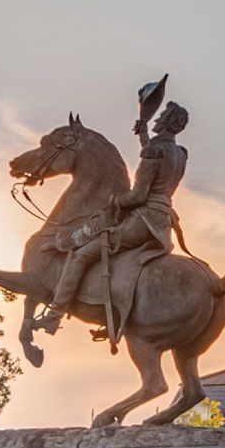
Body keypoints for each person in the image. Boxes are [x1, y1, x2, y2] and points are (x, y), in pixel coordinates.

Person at [38, 94, 188, 336]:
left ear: (165, 121)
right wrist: (143, 137)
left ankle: (53, 316)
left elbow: (138, 196)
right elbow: (157, 161)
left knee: (81, 255)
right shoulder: (180, 154)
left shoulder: (154, 151)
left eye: (161, 116)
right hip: (164, 222)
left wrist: (114, 200)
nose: (157, 119)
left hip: (143, 221)